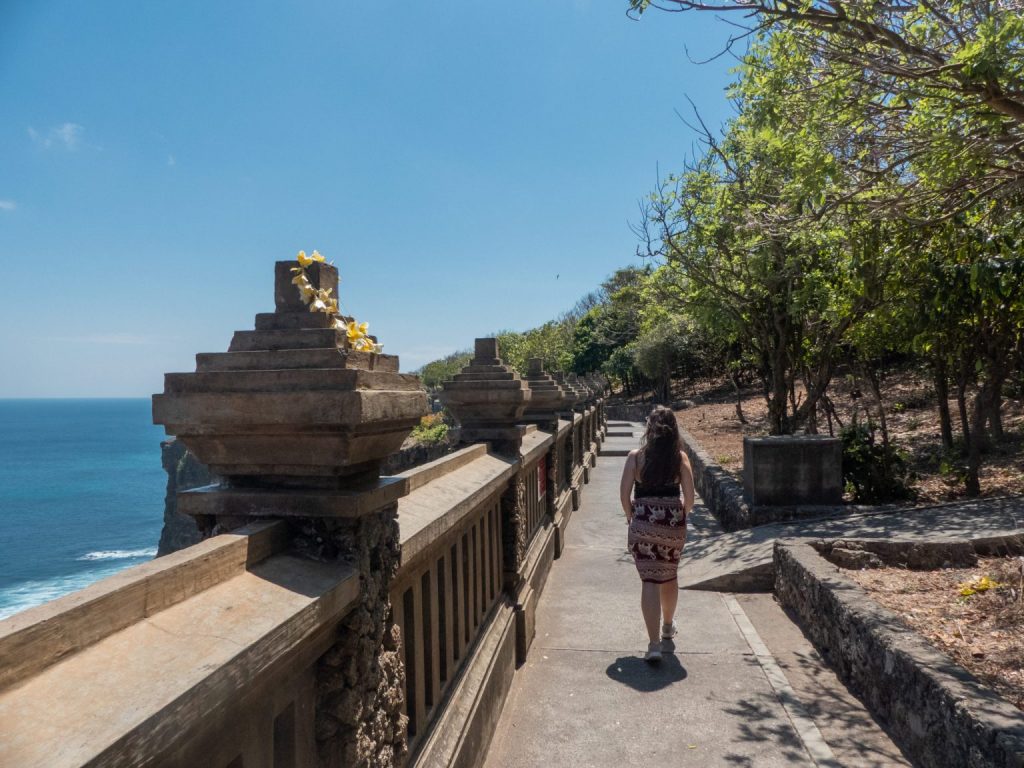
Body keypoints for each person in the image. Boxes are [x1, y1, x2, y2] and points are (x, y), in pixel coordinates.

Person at [619, 405, 695, 662]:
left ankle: (653, 645)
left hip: (643, 521)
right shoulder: (680, 458)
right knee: (669, 574)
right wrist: (678, 516)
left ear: (649, 430)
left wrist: (633, 517)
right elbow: (691, 499)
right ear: (673, 430)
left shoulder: (635, 457)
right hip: (673, 523)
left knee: (649, 580)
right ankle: (667, 628)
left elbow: (624, 495)